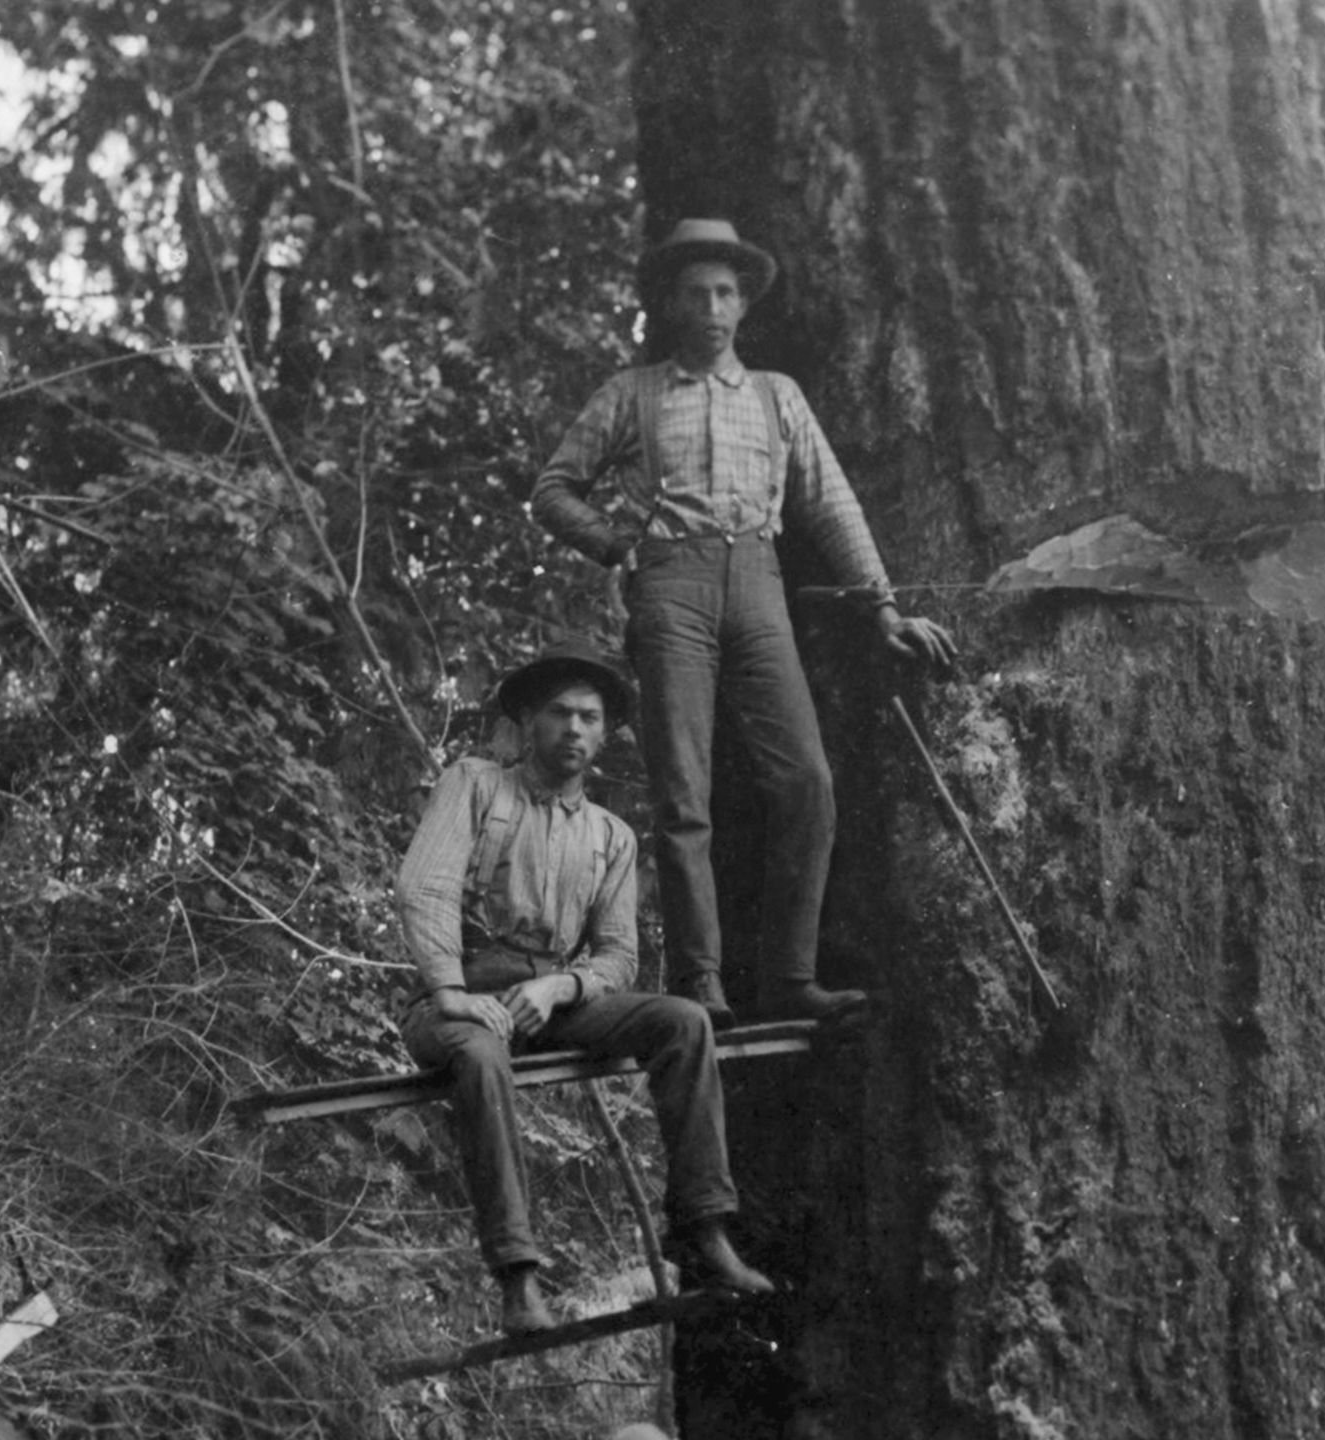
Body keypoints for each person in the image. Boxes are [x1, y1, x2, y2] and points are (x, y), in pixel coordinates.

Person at [530, 217, 957, 1029]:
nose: (713, 308)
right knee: (685, 793)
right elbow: (554, 489)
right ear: (671, 303)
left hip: (759, 585)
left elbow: (831, 503)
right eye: (697, 293)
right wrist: (619, 544)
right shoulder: (634, 393)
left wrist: (883, 608)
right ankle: (700, 982)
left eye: (727, 293)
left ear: (744, 305)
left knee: (806, 782)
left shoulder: (776, 396)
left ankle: (792, 977)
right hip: (671, 588)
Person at [397, 638, 773, 1336]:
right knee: (480, 1057)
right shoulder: (476, 784)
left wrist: (563, 987)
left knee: (684, 1022)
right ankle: (519, 1281)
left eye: (590, 718)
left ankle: (705, 1230)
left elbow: (618, 955)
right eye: (561, 714)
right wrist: (451, 993)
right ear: (530, 724)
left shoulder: (611, 836)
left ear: (605, 733)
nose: (575, 730)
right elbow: (425, 888)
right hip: (457, 1002)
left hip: (549, 1004)